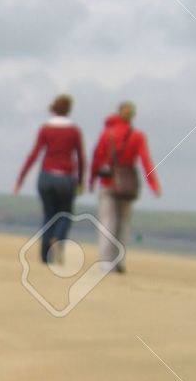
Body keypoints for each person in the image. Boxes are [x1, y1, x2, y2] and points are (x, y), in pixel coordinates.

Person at [88, 101, 160, 272]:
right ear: (132, 116)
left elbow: (97, 157)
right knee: (123, 222)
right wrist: (153, 184)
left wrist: (91, 180)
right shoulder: (137, 136)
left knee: (108, 221)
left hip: (108, 182)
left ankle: (106, 262)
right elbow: (145, 161)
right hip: (127, 183)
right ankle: (118, 261)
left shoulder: (107, 133)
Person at [14, 94, 85, 263]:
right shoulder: (74, 131)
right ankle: (58, 239)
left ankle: (45, 256)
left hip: (46, 177)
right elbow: (81, 157)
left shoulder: (45, 129)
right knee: (65, 214)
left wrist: (20, 179)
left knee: (48, 215)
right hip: (66, 178)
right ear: (69, 109)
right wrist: (81, 181)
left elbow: (34, 154)